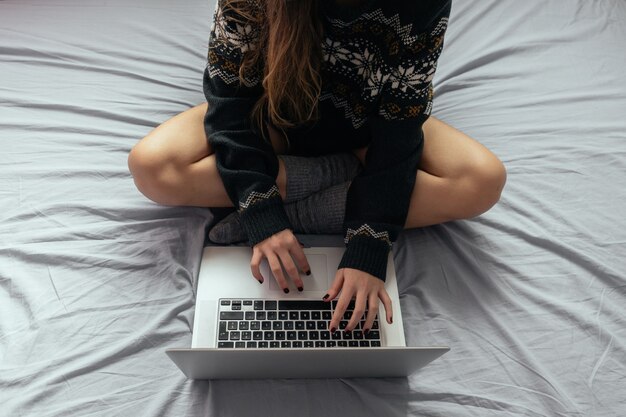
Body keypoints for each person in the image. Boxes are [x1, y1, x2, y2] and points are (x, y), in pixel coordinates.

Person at [128, 0, 506, 335]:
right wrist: (262, 211)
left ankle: (306, 200)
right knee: (152, 167)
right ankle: (333, 179)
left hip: (367, 130)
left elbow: (400, 126)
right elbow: (230, 103)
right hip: (273, 118)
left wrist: (369, 241)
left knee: (483, 181)